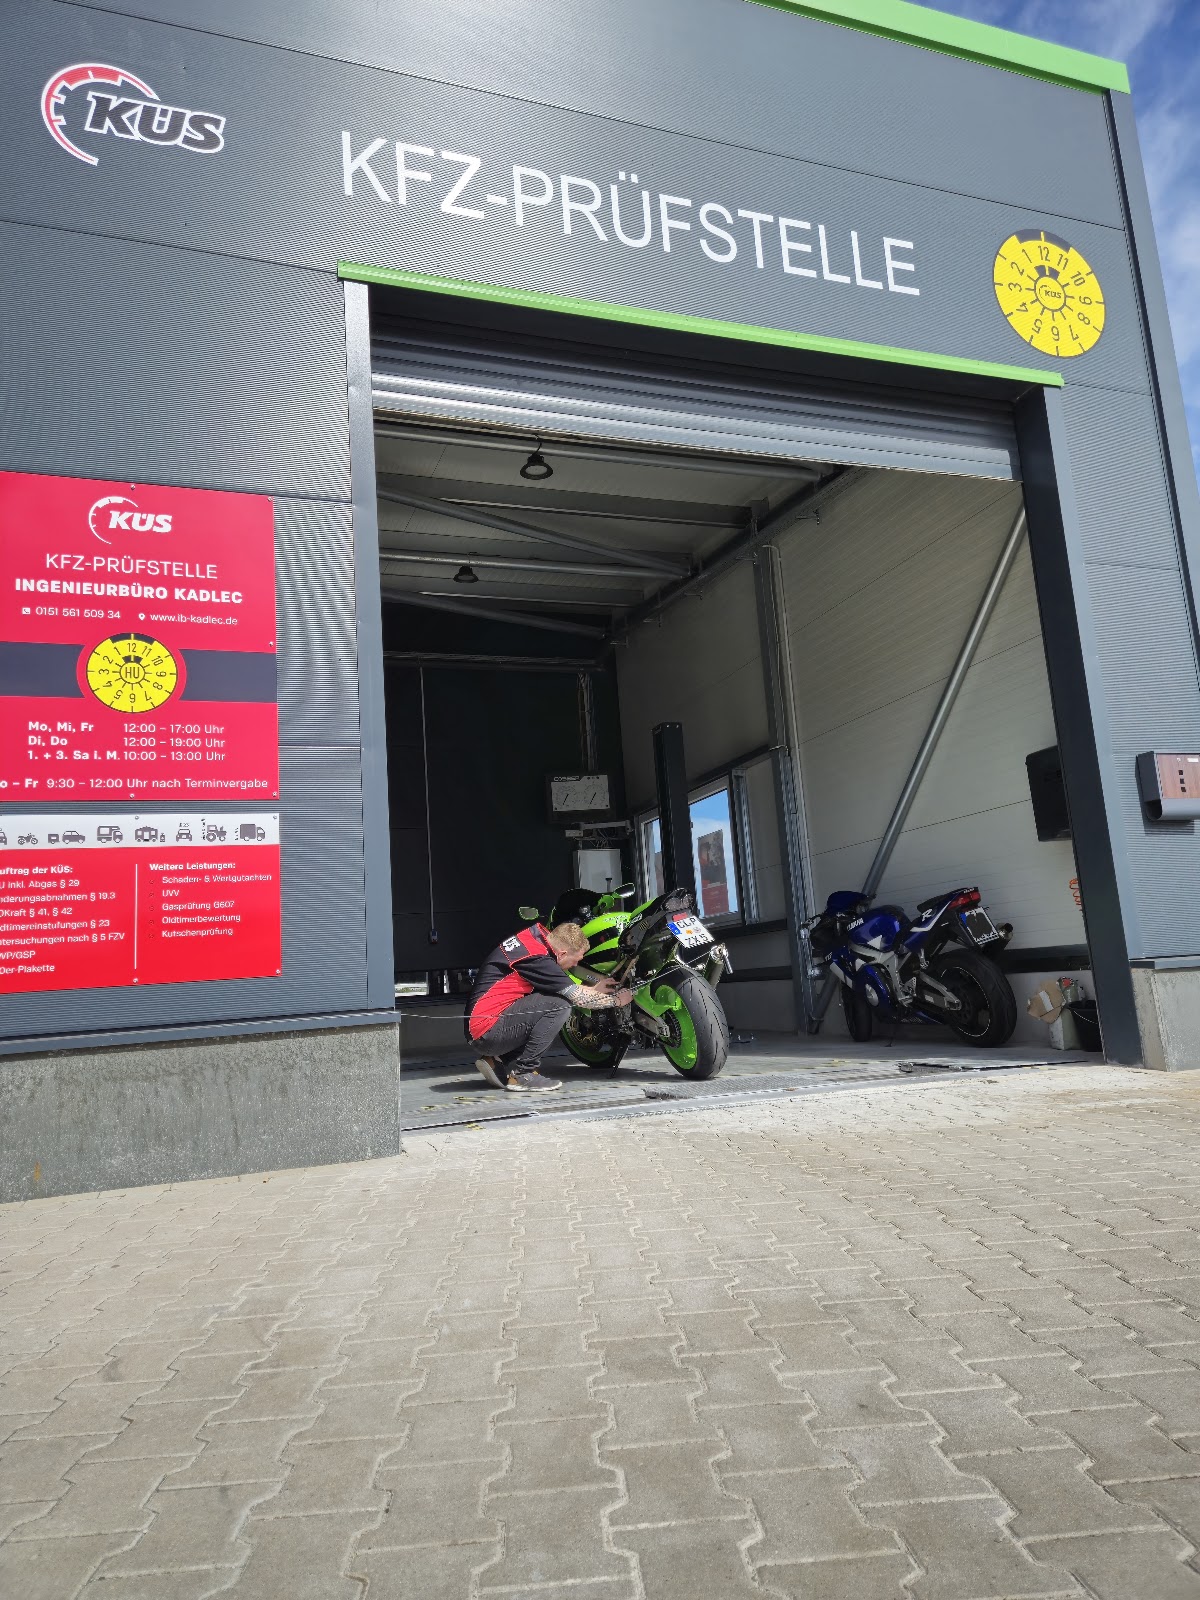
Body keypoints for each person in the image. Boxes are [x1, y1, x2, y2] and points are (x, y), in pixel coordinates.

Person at [467, 920, 632, 1092]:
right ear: (562, 954)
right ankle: (524, 1074)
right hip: (487, 1031)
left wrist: (592, 989)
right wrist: (617, 1001)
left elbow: (562, 987)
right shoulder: (538, 960)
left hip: (484, 1026)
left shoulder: (536, 940)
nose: (575, 965)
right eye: (575, 960)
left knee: (554, 1000)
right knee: (559, 1005)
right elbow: (579, 999)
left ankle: (497, 1060)